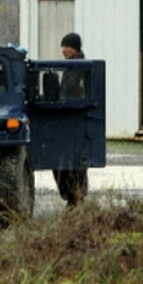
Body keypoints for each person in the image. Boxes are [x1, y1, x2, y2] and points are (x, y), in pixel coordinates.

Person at [53, 32, 89, 206]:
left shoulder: (81, 69)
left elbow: (77, 93)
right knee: (65, 162)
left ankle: (76, 197)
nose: (63, 50)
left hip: (74, 118)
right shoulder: (71, 68)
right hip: (67, 118)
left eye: (66, 47)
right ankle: (72, 196)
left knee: (75, 163)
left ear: (74, 48)